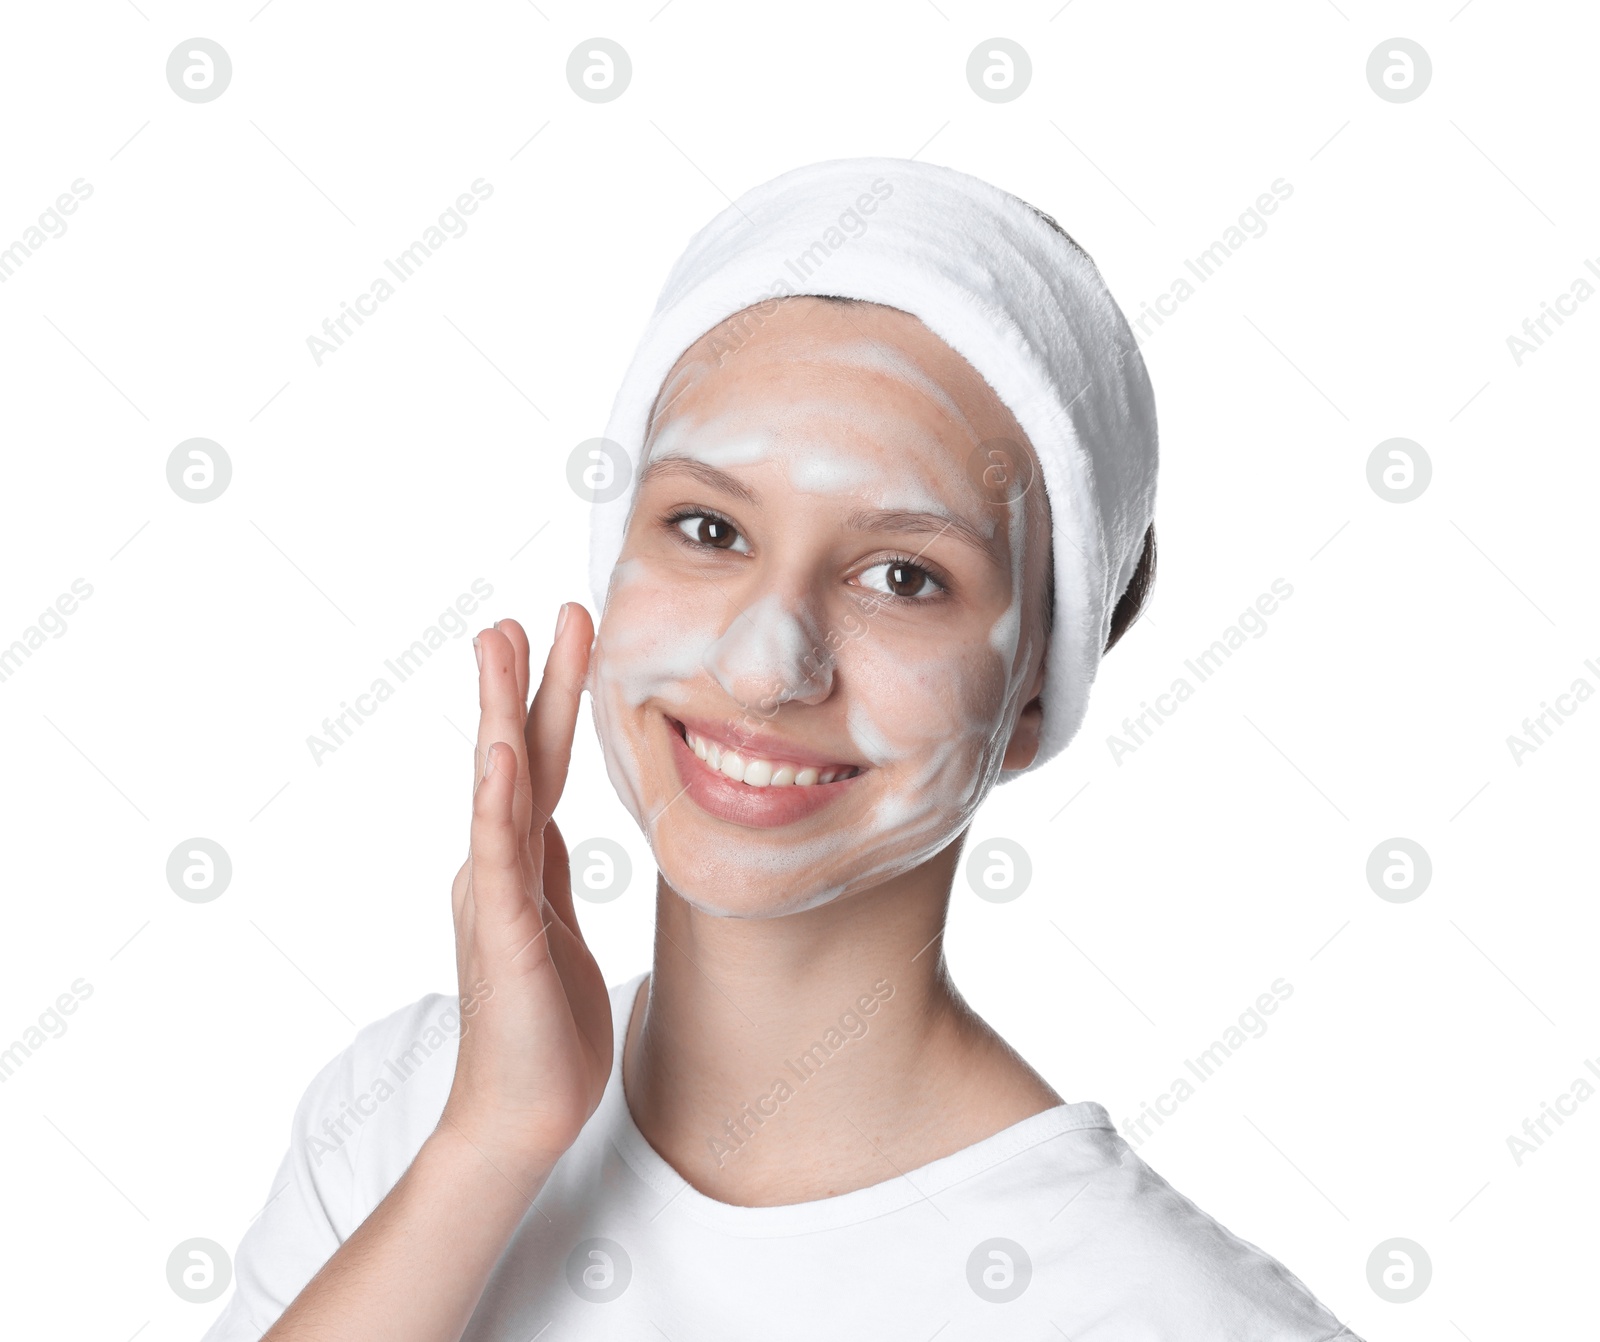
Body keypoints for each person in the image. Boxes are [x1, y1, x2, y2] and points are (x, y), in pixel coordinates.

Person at [202, 159, 1361, 1341]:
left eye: (903, 576)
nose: (766, 665)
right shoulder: (402, 1116)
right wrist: (491, 1144)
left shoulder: (1171, 1314)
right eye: (708, 528)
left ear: (1032, 692)